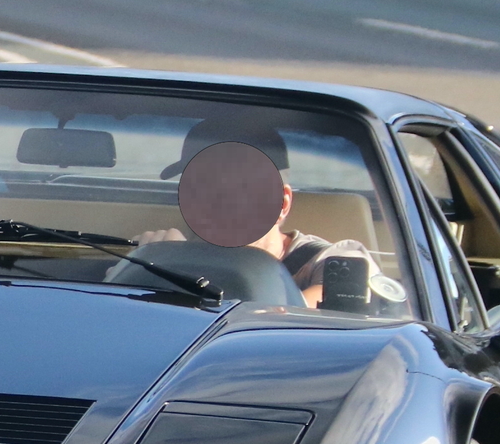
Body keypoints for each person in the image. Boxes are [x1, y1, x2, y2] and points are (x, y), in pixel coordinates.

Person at [134, 113, 378, 308]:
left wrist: (178, 267)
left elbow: (309, 314)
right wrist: (144, 269)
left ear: (281, 203)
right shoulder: (164, 253)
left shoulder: (332, 262)